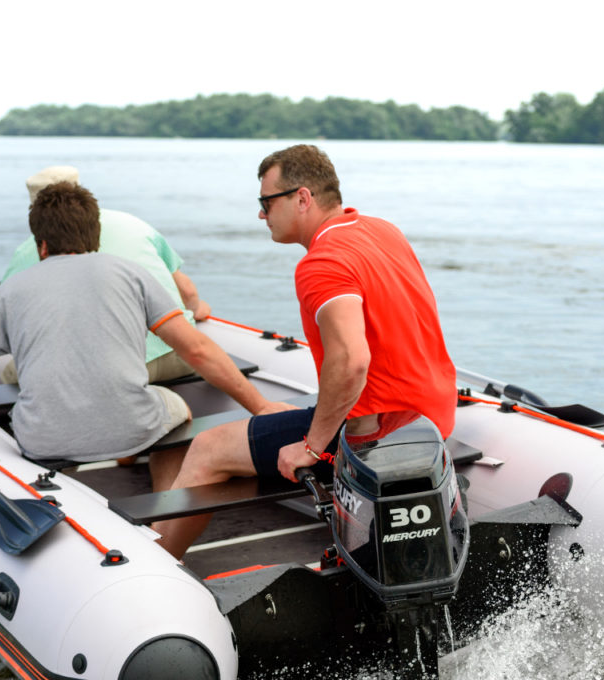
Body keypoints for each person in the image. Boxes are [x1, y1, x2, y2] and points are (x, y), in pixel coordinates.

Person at [154, 144, 457, 559]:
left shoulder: (322, 262)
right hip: (428, 414)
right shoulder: (382, 229)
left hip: (376, 430)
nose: (261, 214)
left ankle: (155, 566)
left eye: (266, 201)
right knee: (288, 415)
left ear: (302, 198)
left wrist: (311, 446)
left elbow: (351, 361)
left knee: (207, 448)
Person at [0, 182, 287, 478]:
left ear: (42, 245)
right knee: (178, 407)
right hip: (134, 427)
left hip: (42, 440)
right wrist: (260, 405)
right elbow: (197, 351)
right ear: (95, 236)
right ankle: (166, 499)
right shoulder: (131, 275)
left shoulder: (11, 291)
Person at [0, 166, 210, 385]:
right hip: (178, 357)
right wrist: (197, 311)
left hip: (113, 371)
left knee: (11, 370)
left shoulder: (33, 250)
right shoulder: (135, 224)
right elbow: (186, 289)